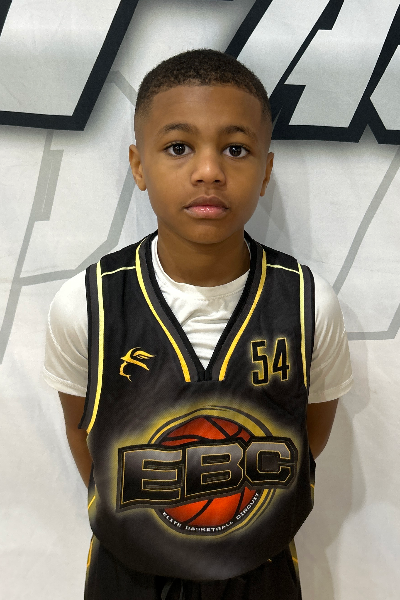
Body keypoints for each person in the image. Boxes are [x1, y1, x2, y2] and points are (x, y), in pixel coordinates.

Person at [43, 49, 353, 600]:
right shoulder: (85, 305)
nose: (209, 171)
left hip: (259, 572)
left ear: (265, 171)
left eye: (235, 149)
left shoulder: (310, 304)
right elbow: (81, 429)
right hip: (128, 574)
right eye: (179, 147)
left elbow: (309, 434)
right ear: (139, 165)